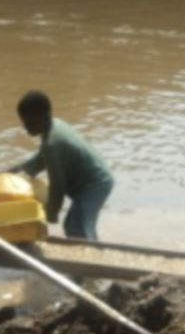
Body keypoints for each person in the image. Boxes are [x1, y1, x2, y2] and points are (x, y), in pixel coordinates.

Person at [8, 91, 114, 240]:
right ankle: (93, 249)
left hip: (95, 184)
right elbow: (40, 159)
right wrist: (18, 170)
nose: (26, 128)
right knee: (74, 224)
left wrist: (51, 214)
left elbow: (58, 186)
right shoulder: (54, 127)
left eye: (30, 123)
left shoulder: (53, 143)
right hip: (95, 180)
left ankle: (89, 258)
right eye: (24, 123)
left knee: (77, 228)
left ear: (44, 117)